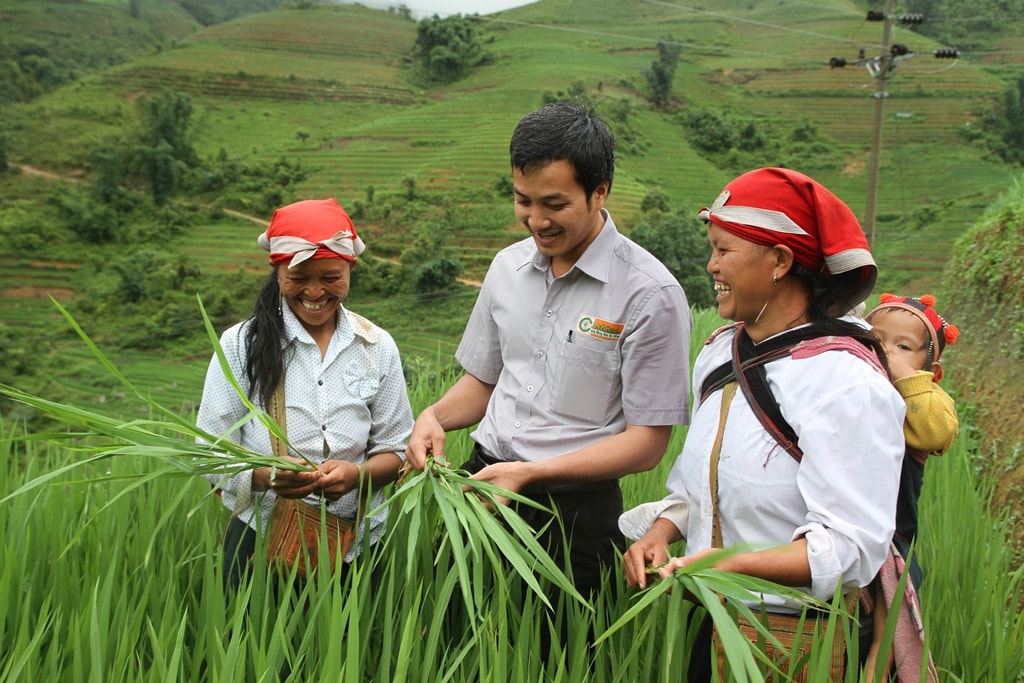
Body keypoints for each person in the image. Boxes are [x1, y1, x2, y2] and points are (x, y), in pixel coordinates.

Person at [619, 167, 907, 681]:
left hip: (797, 640)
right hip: (708, 618)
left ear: (779, 260)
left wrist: (731, 563)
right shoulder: (716, 354)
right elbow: (701, 482)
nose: (711, 266)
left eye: (724, 250)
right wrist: (662, 530)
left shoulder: (846, 383)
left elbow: (851, 549)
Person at [404, 101, 693, 597]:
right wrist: (433, 415)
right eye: (523, 201)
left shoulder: (649, 294)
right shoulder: (506, 268)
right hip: (483, 486)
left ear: (600, 191)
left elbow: (649, 442)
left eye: (554, 205)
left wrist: (533, 472)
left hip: (573, 511)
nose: (536, 220)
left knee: (557, 653)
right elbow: (485, 380)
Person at [198, 197, 414, 590]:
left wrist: (359, 475)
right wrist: (266, 477)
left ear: (349, 269)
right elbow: (210, 450)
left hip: (355, 543)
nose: (315, 292)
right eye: (298, 277)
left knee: (354, 647)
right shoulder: (241, 345)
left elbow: (396, 450)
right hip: (259, 540)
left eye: (331, 277)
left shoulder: (376, 346)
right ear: (277, 272)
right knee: (255, 647)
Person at [862, 292, 959, 682]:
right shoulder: (854, 385)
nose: (885, 351)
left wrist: (908, 380)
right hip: (838, 524)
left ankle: (877, 664)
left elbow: (939, 430)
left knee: (892, 598)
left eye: (903, 346)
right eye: (876, 338)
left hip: (891, 534)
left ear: (931, 369)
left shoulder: (923, 399)